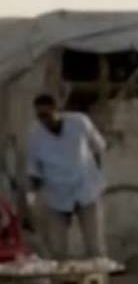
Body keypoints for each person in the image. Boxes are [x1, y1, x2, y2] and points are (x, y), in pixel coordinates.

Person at [25, 94, 108, 259]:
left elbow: (99, 147)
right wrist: (31, 200)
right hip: (57, 194)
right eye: (39, 116)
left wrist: (96, 175)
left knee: (95, 246)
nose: (44, 121)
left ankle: (98, 282)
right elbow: (34, 171)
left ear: (58, 111)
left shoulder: (79, 122)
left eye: (46, 115)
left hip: (86, 189)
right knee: (57, 250)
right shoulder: (35, 135)